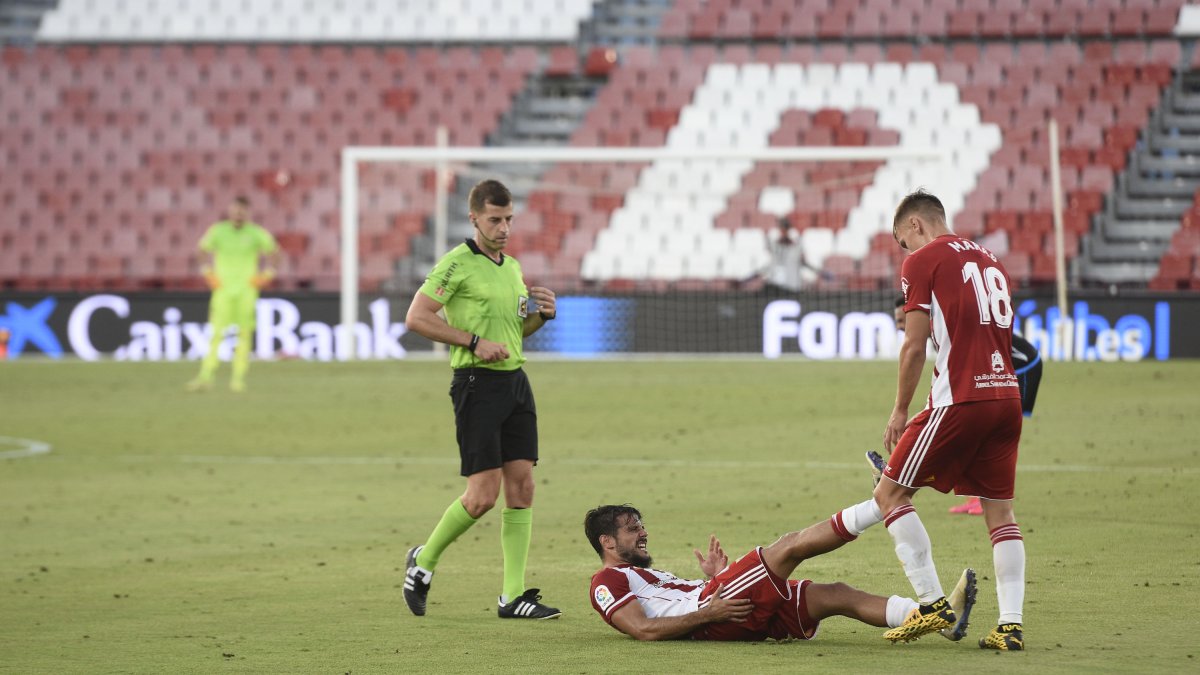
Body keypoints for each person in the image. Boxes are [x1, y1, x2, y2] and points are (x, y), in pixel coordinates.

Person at [829, 190, 1027, 651]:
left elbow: (914, 345)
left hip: (960, 400)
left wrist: (900, 410)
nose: (905, 252)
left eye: (903, 241)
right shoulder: (990, 259)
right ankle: (1010, 626)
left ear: (915, 225)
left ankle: (932, 604)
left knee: (889, 492)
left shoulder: (923, 262)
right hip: (1006, 397)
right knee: (1000, 513)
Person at [402, 179, 561, 620]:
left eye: (509, 219)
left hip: (515, 383)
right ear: (474, 218)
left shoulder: (511, 267)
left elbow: (512, 336)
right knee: (481, 497)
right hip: (476, 385)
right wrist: (472, 340)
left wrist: (541, 319)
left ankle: (512, 597)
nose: (504, 227)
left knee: (523, 485)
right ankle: (424, 560)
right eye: (495, 219)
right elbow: (417, 317)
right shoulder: (456, 264)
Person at [584, 504, 976, 643]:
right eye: (632, 529)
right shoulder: (606, 582)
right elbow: (642, 630)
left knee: (833, 595)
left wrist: (715, 576)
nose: (643, 532)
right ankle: (882, 502)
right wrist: (708, 610)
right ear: (607, 541)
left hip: (715, 604)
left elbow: (668, 605)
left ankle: (935, 619)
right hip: (712, 613)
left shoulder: (643, 574)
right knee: (789, 546)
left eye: (641, 526)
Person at [888, 295, 1043, 516]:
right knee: (979, 434)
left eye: (902, 320)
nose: (899, 326)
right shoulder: (940, 326)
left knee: (986, 435)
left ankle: (990, 498)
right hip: (999, 374)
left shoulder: (941, 326)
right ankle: (980, 498)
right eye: (896, 322)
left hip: (1023, 368)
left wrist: (928, 414)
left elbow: (956, 377)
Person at [186, 196, 280, 393]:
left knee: (244, 335)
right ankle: (206, 377)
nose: (238, 214)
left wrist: (267, 274)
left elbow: (274, 252)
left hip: (246, 290)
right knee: (216, 334)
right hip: (223, 289)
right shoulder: (218, 231)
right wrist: (207, 272)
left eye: (242, 211)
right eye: (235, 210)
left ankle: (238, 379)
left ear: (247, 213)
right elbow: (201, 250)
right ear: (230, 211)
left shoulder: (256, 233)